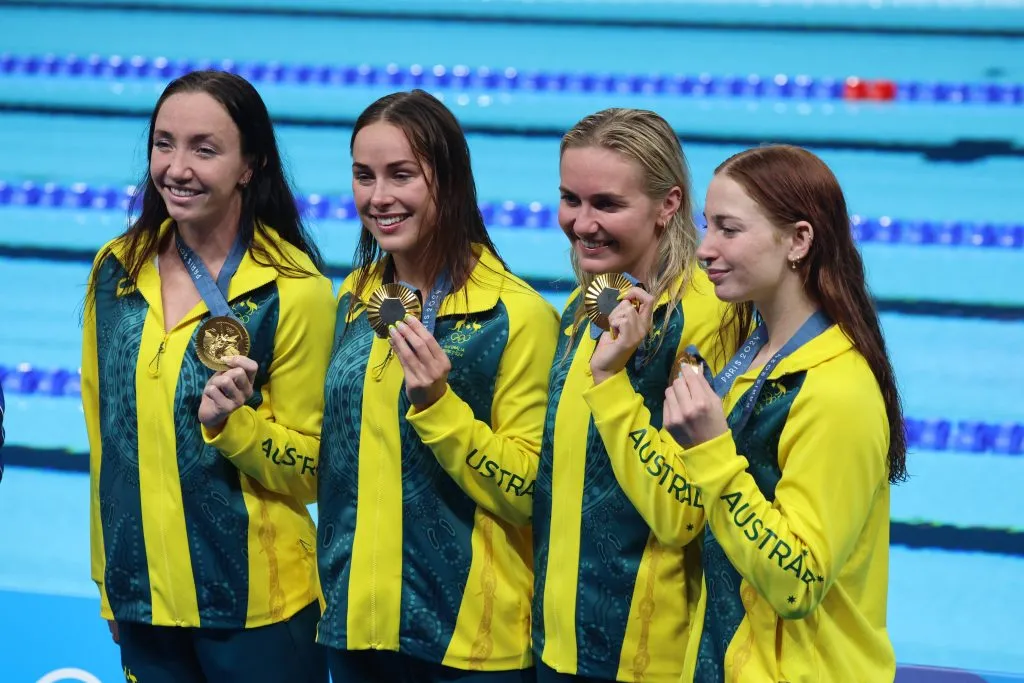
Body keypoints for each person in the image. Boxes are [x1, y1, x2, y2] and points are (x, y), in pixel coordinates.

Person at [81, 70, 334, 683]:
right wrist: (109, 578)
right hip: (144, 597)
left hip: (259, 611)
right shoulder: (116, 269)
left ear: (250, 165)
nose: (176, 167)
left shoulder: (293, 291)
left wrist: (235, 428)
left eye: (205, 148)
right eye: (164, 143)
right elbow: (104, 437)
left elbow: (314, 471)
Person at [315, 89, 559, 682]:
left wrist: (439, 409)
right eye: (363, 176)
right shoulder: (355, 299)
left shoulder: (516, 317)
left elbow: (530, 493)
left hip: (470, 646)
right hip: (355, 629)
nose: (379, 197)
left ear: (447, 183)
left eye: (402, 175)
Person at [655, 144, 906, 681]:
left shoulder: (837, 391)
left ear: (798, 240)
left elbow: (798, 582)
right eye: (706, 226)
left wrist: (712, 451)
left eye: (728, 229)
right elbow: (689, 520)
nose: (704, 249)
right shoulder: (749, 356)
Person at [531, 108, 732, 683]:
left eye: (607, 204)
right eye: (571, 199)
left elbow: (682, 514)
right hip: (558, 646)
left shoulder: (704, 319)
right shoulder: (585, 308)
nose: (581, 223)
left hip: (647, 658)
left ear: (668, 205)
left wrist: (612, 381)